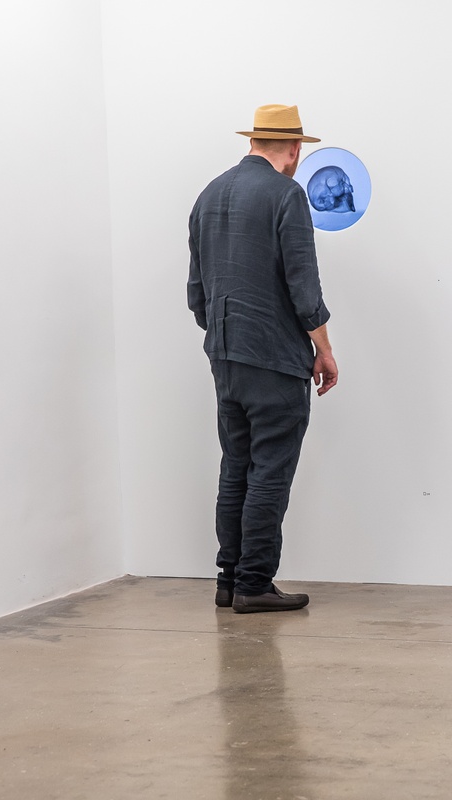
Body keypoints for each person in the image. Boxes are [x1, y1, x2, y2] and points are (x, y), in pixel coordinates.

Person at [188, 104, 339, 614]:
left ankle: (228, 580)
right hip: (274, 360)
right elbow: (303, 285)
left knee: (236, 466)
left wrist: (230, 341)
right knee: (270, 470)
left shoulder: (208, 195)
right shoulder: (286, 194)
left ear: (254, 141)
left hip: (225, 359)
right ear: (294, 151)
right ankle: (255, 583)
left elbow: (197, 296)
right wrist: (324, 348)